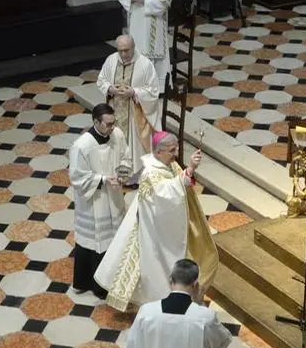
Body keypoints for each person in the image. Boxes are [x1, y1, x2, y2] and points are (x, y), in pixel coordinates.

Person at [94, 131, 218, 312]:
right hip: (154, 229)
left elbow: (177, 183)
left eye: (176, 148)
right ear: (158, 152)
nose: (176, 153)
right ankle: (159, 300)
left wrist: (187, 173)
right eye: (172, 150)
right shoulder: (151, 173)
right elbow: (164, 196)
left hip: (162, 224)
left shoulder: (168, 163)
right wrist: (189, 170)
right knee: (154, 265)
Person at [68, 103, 129, 299]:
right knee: (94, 241)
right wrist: (102, 180)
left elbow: (125, 157)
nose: (112, 128)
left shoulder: (117, 135)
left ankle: (113, 280)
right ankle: (92, 284)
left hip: (114, 196)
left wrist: (122, 174)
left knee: (113, 240)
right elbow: (77, 177)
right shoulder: (82, 146)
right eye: (108, 124)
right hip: (94, 201)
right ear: (96, 122)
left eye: (114, 123)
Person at [96, 34, 160, 179]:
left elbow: (154, 90)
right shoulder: (111, 60)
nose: (123, 54)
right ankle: (114, 173)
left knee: (134, 148)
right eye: (120, 50)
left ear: (133, 47)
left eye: (127, 50)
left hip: (134, 114)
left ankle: (133, 178)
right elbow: (101, 80)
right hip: (115, 111)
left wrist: (134, 92)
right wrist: (111, 89)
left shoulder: (145, 64)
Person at [118, 0, 173, 93]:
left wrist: (145, 1)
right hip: (137, 22)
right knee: (137, 52)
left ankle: (157, 88)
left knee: (154, 55)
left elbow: (165, 2)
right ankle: (137, 87)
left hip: (154, 23)